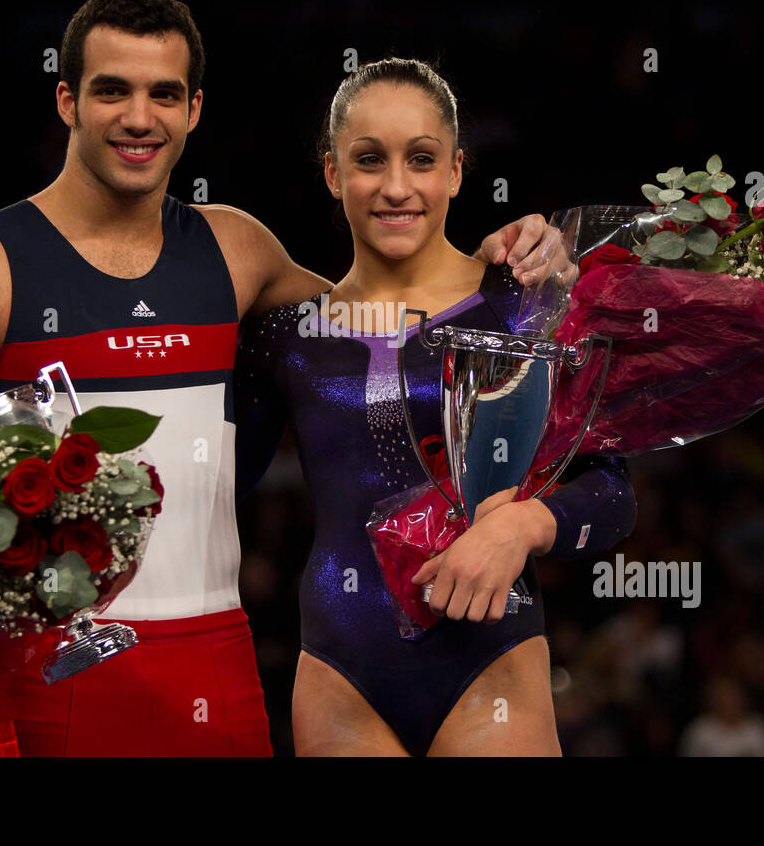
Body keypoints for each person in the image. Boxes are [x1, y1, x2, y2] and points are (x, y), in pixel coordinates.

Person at [0, 0, 550, 755]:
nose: (139, 117)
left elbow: (389, 324)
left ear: (194, 109)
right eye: (111, 91)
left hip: (216, 670)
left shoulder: (239, 253)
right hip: (54, 672)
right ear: (66, 100)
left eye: (164, 93)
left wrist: (518, 269)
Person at [235, 58, 637, 755]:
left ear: (455, 170)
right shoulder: (288, 337)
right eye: (369, 160)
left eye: (421, 159)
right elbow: (213, 485)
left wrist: (520, 529)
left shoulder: (522, 306)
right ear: (332, 174)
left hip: (492, 662)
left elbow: (613, 493)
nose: (396, 186)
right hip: (339, 674)